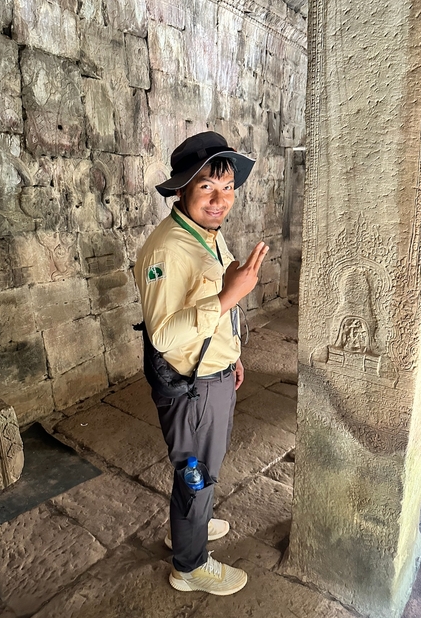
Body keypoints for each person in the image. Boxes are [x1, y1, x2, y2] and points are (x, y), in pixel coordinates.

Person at [134, 131, 268, 595]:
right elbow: (164, 333)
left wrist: (231, 353)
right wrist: (230, 294)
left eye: (227, 187)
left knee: (204, 465)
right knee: (196, 471)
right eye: (207, 187)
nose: (220, 199)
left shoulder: (206, 235)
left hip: (213, 372)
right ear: (183, 188)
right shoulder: (166, 250)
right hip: (190, 384)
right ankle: (189, 566)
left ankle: (186, 527)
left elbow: (212, 304)